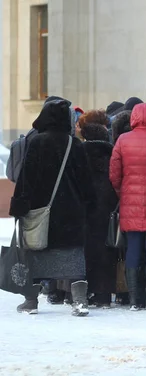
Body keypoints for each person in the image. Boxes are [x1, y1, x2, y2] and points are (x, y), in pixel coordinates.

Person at [9, 99, 95, 316]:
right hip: (71, 212)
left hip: (40, 212)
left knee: (36, 253)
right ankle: (80, 302)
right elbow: (86, 181)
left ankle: (31, 302)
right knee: (74, 256)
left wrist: (20, 206)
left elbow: (26, 179)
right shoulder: (73, 144)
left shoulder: (37, 143)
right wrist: (89, 205)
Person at [109, 103, 146, 312]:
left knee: (133, 250)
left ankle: (135, 299)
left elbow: (114, 175)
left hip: (130, 204)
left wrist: (124, 193)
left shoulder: (122, 140)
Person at [81, 123, 119, 308]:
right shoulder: (111, 152)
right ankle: (104, 293)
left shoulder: (80, 152)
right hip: (107, 207)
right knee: (107, 250)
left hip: (85, 208)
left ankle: (86, 290)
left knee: (86, 250)